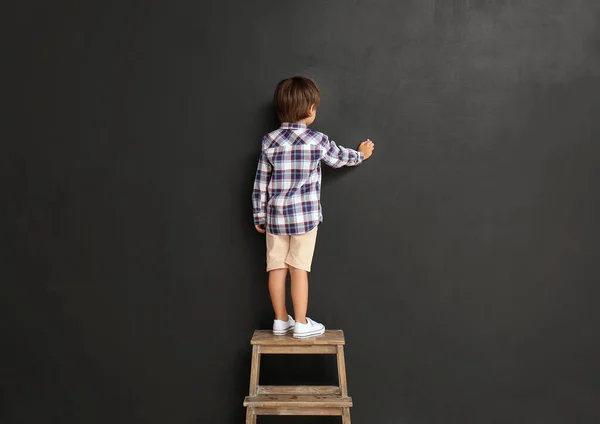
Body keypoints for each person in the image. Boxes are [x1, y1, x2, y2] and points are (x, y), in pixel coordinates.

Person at [252, 76, 374, 338]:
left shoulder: (269, 142)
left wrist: (259, 215)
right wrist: (362, 154)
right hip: (304, 219)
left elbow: (260, 182)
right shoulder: (316, 140)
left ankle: (280, 321)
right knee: (299, 269)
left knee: (275, 268)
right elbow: (340, 157)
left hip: (275, 219)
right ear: (310, 110)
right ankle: (301, 324)